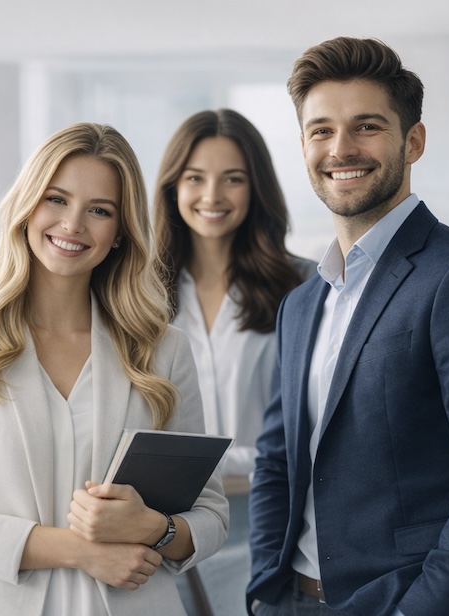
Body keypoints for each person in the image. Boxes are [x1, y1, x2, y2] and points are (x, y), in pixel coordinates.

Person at [247, 37, 449, 616]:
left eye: (367, 126)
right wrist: (268, 585)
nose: (341, 149)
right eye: (321, 130)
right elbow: (277, 463)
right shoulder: (301, 303)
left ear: (412, 141)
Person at [0, 122, 229, 616]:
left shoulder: (164, 351)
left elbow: (210, 515)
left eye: (99, 210)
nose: (73, 224)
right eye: (56, 199)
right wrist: (84, 553)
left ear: (119, 233)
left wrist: (152, 529)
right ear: (28, 205)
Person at [154, 108, 316, 616]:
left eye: (233, 179)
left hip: (272, 518)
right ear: (172, 187)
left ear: (257, 188)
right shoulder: (136, 294)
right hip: (168, 524)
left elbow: (309, 423)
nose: (212, 196)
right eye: (195, 178)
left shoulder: (305, 286)